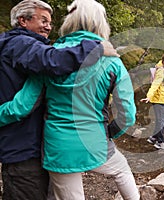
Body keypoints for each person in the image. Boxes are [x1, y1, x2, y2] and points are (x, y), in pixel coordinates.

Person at [0, 0, 140, 199]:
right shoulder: (111, 58)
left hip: (59, 146)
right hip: (95, 141)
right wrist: (110, 133)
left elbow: (23, 105)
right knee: (122, 171)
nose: (48, 26)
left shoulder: (51, 54)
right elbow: (128, 115)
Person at [140, 52, 164, 150]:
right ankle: (160, 142)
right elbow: (155, 84)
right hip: (158, 99)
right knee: (161, 121)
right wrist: (149, 96)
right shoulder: (161, 71)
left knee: (161, 120)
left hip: (163, 98)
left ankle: (153, 138)